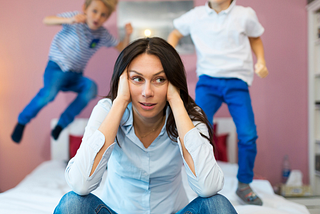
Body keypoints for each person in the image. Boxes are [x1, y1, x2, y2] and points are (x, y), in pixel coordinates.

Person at [53, 37, 237, 214]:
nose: (147, 92)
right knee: (72, 204)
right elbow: (80, 183)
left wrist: (176, 101)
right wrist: (120, 101)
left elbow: (209, 187)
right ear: (123, 80)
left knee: (217, 205)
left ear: (172, 82)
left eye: (159, 80)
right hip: (116, 210)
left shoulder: (189, 116)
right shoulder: (107, 110)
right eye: (137, 79)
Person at [167, 0, 268, 206]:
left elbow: (255, 38)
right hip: (207, 83)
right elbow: (176, 32)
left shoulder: (244, 14)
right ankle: (202, 180)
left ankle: (244, 185)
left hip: (237, 83)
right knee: (197, 132)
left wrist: (261, 61)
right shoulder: (195, 16)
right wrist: (167, 57)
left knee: (248, 134)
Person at [11, 0, 133, 143]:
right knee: (48, 95)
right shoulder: (75, 18)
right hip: (56, 69)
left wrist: (128, 35)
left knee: (91, 88)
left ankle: (61, 124)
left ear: (107, 18)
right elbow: (47, 20)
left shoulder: (102, 34)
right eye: (94, 11)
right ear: (85, 9)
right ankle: (22, 121)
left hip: (75, 75)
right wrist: (70, 20)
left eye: (103, 15)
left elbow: (121, 47)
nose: (97, 17)